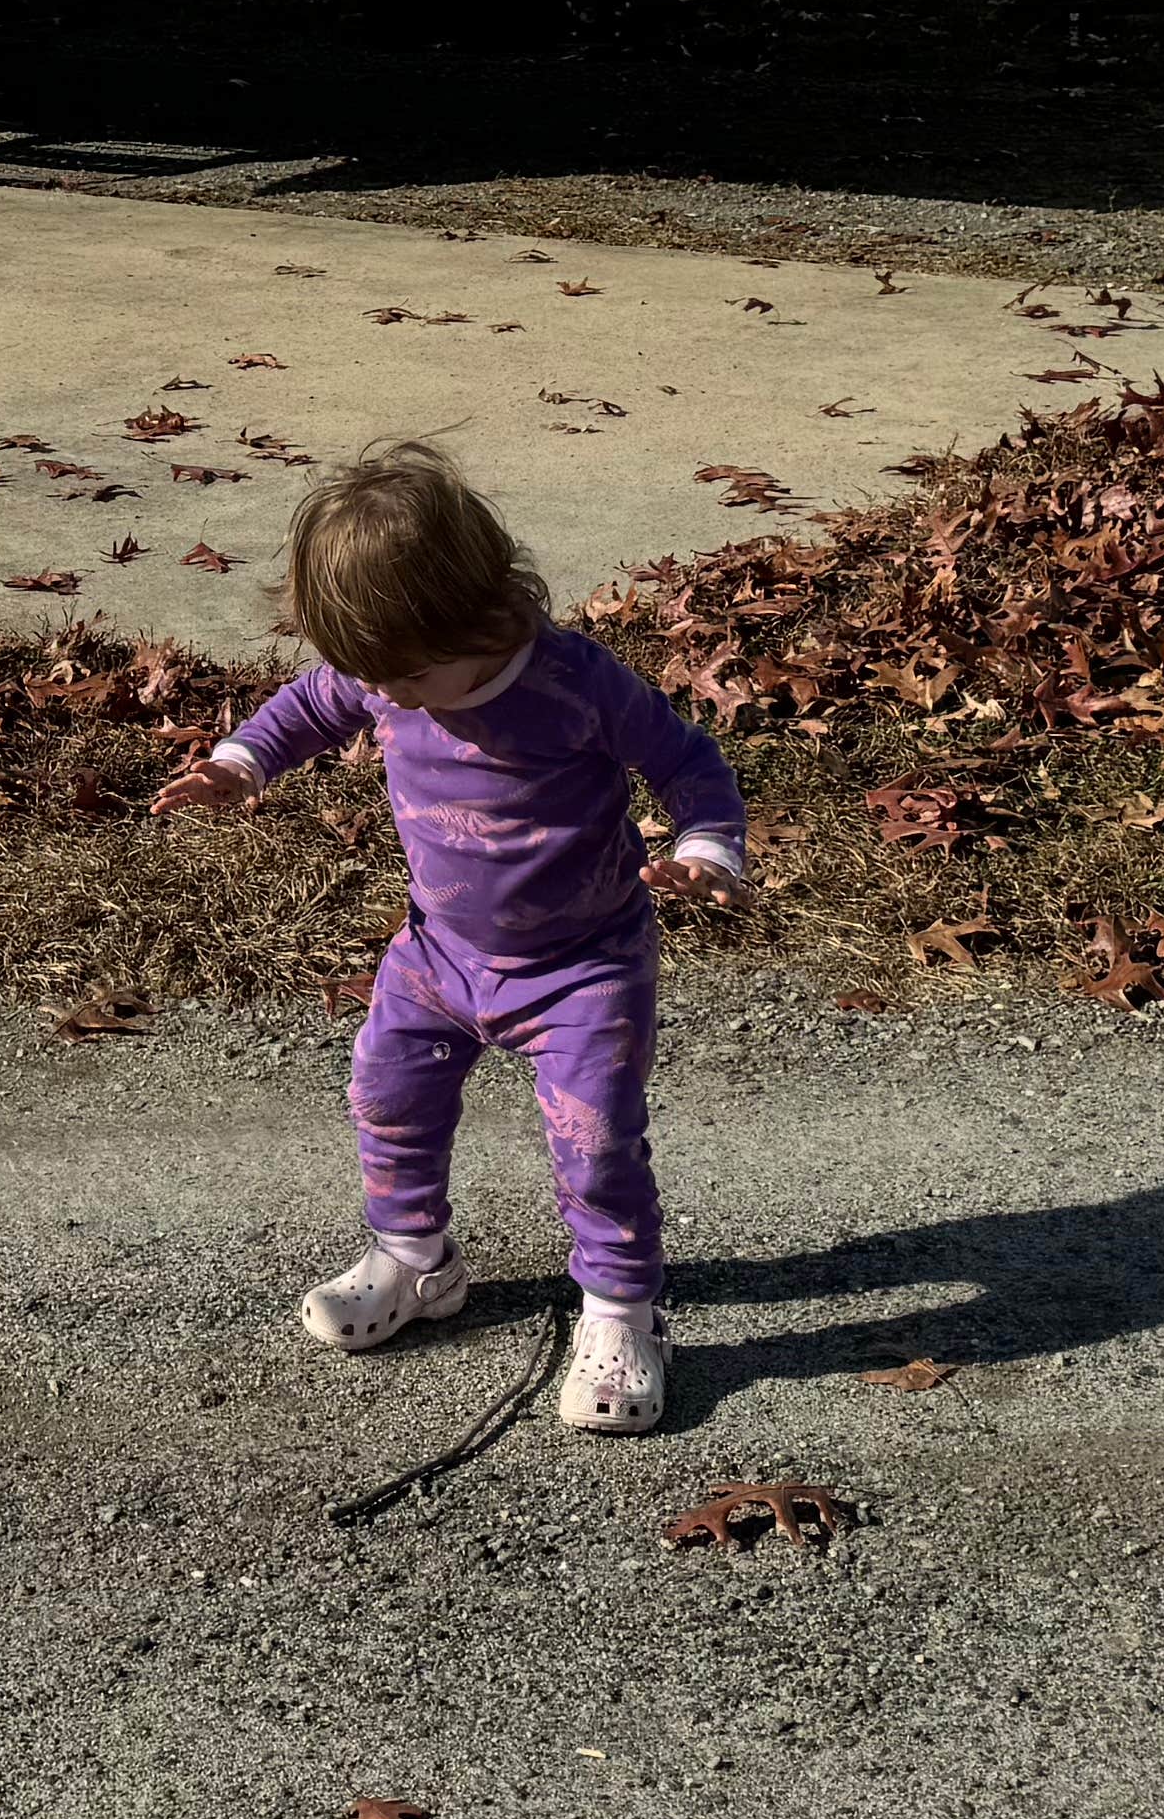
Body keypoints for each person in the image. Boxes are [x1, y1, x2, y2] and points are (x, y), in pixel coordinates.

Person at [150, 440, 744, 1434]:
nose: (386, 697)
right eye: (368, 675)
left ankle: (621, 1309)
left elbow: (691, 765)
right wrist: (240, 763)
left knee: (596, 1142)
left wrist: (707, 850)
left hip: (583, 966)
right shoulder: (389, 670)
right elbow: (304, 708)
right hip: (438, 954)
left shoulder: (574, 684)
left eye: (407, 675)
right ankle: (415, 1260)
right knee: (387, 1096)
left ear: (482, 615)